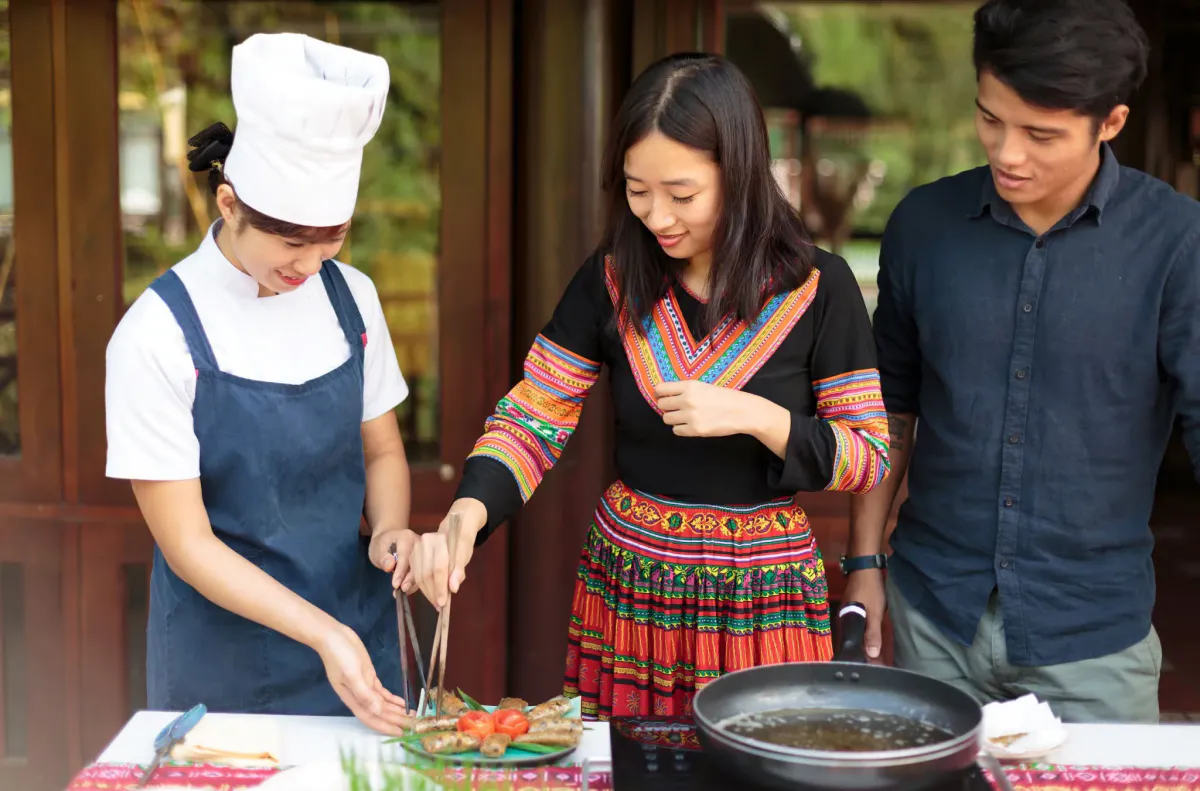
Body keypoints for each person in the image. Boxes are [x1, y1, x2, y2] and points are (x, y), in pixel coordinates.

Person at [397, 53, 891, 720]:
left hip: (763, 595)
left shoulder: (819, 288)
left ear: (739, 175)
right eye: (637, 190)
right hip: (632, 586)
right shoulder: (613, 281)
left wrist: (756, 415)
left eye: (682, 194)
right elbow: (533, 417)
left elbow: (869, 456)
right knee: (631, 766)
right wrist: (468, 512)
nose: (658, 216)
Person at [845, 0, 1200, 723]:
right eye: (991, 119)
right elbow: (890, 408)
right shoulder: (924, 225)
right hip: (931, 613)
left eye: (1041, 134)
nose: (1008, 153)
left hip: (1094, 636)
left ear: (1111, 123)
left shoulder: (1176, 242)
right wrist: (863, 563)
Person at [104, 32, 417, 734]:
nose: (309, 263)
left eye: (331, 237)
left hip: (357, 646)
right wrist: (321, 632)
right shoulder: (156, 334)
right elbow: (187, 542)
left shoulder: (353, 299)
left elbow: (380, 451)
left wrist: (391, 527)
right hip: (225, 665)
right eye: (288, 241)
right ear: (228, 202)